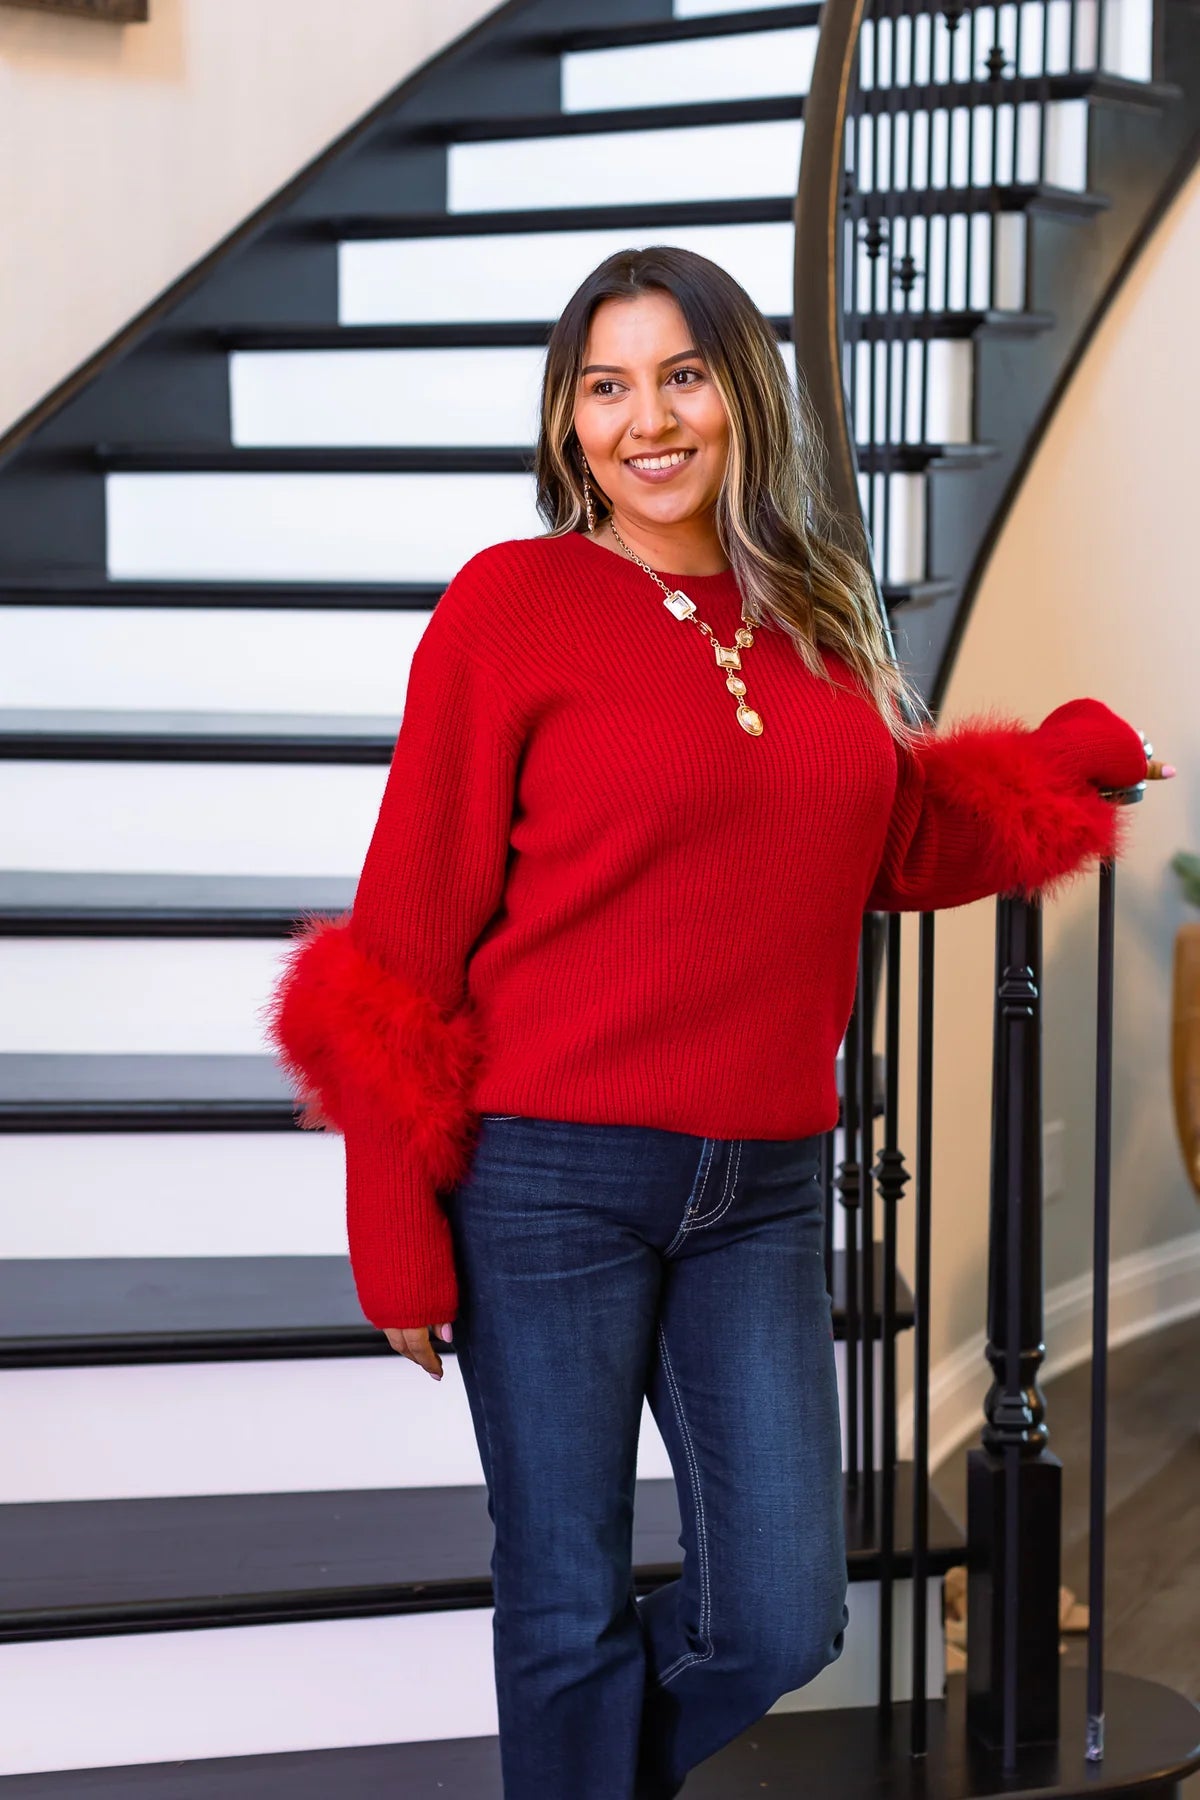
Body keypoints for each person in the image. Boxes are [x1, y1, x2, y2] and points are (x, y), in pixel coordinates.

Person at [262, 246, 1173, 1800]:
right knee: (563, 1600)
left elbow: (880, 848)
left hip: (759, 1185)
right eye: (604, 386)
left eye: (680, 374)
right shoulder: (513, 606)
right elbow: (402, 938)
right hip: (547, 1181)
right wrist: (390, 1216)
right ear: (567, 425)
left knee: (781, 1612)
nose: (646, 419)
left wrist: (1043, 780)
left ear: (741, 392)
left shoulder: (817, 612)